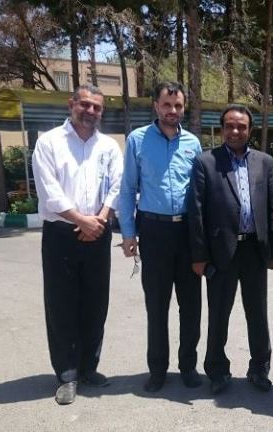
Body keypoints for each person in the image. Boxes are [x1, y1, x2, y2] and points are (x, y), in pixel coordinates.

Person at [31, 84, 123, 405]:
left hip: (98, 231)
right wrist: (81, 220)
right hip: (61, 234)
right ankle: (67, 374)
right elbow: (49, 191)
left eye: (96, 107)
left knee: (96, 303)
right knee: (61, 305)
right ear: (72, 105)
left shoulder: (108, 146)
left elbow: (116, 186)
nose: (90, 111)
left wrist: (99, 219)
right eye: (85, 104)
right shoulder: (49, 142)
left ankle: (88, 368)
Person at [187, 104, 273, 394]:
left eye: (241, 126)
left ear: (250, 130)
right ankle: (217, 370)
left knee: (258, 314)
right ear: (222, 128)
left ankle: (260, 368)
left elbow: (272, 208)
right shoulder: (206, 162)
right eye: (229, 126)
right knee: (218, 315)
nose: (235, 131)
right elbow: (196, 212)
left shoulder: (264, 162)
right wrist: (199, 256)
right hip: (220, 252)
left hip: (254, 250)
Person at [119, 82, 203, 392]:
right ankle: (157, 370)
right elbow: (127, 189)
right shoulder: (137, 140)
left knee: (191, 306)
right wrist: (128, 232)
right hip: (153, 232)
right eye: (167, 105)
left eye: (178, 106)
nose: (172, 111)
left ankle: (188, 366)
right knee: (157, 306)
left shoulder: (193, 143)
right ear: (155, 105)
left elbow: (200, 192)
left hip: (186, 233)